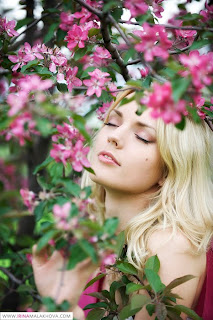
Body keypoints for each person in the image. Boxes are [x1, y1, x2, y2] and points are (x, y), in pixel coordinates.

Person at [32, 88, 213, 320]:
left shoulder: (169, 246)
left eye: (143, 137)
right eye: (112, 123)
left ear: (169, 170)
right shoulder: (91, 241)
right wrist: (56, 305)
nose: (114, 137)